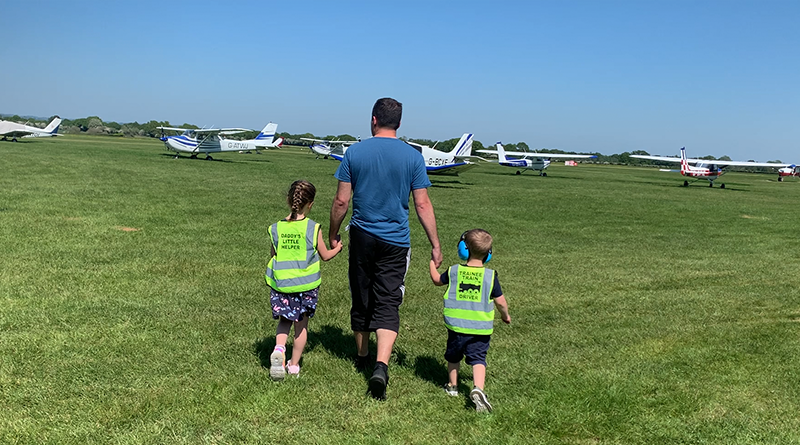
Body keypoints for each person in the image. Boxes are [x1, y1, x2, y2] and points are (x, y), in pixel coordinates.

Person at [329, 97, 442, 400]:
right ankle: (381, 365)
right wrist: (435, 243)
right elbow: (422, 203)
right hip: (396, 240)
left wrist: (333, 233)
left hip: (363, 236)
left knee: (362, 294)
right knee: (388, 300)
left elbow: (342, 201)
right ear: (400, 124)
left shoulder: (354, 152)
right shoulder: (413, 157)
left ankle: (363, 355)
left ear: (373, 120)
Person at [265, 180, 342, 381]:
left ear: (288, 200)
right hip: (305, 286)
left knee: (284, 321)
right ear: (311, 204)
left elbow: (275, 254)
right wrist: (338, 248)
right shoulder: (313, 228)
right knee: (301, 326)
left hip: (282, 285)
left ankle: (279, 349)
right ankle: (294, 365)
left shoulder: (275, 228)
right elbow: (325, 255)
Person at [429, 229, 510, 413]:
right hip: (480, 329)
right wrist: (505, 316)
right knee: (479, 359)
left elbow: (436, 280)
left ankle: (452, 386)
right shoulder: (490, 276)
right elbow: (501, 302)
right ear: (488, 254)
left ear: (463, 249)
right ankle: (478, 388)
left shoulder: (454, 271)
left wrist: (432, 265)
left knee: (453, 356)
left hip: (456, 327)